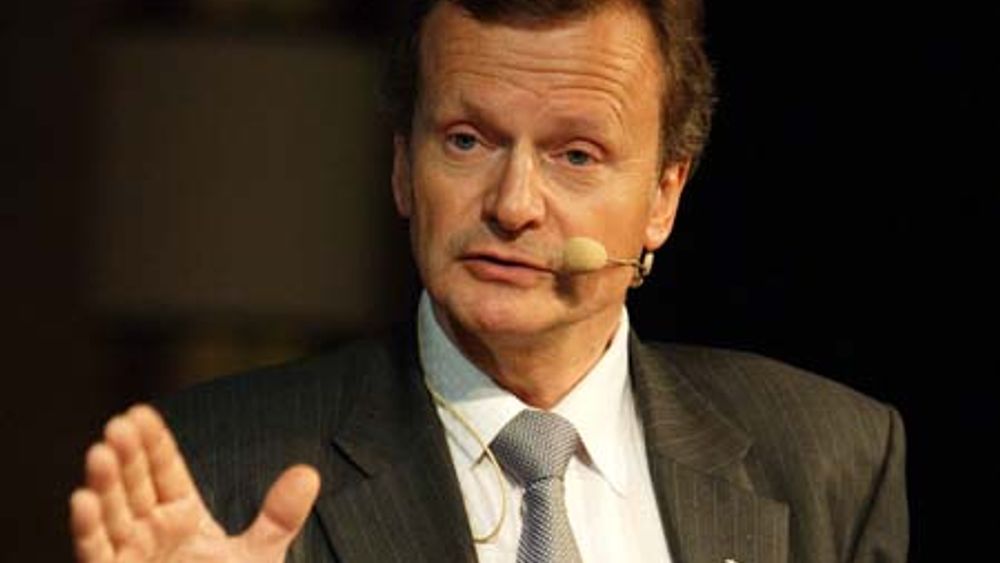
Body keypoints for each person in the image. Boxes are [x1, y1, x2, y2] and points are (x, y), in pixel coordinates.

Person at [68, 0, 909, 561]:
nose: (512, 205)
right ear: (404, 166)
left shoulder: (830, 458)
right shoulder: (215, 465)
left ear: (664, 196)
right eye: (467, 140)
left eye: (575, 155)